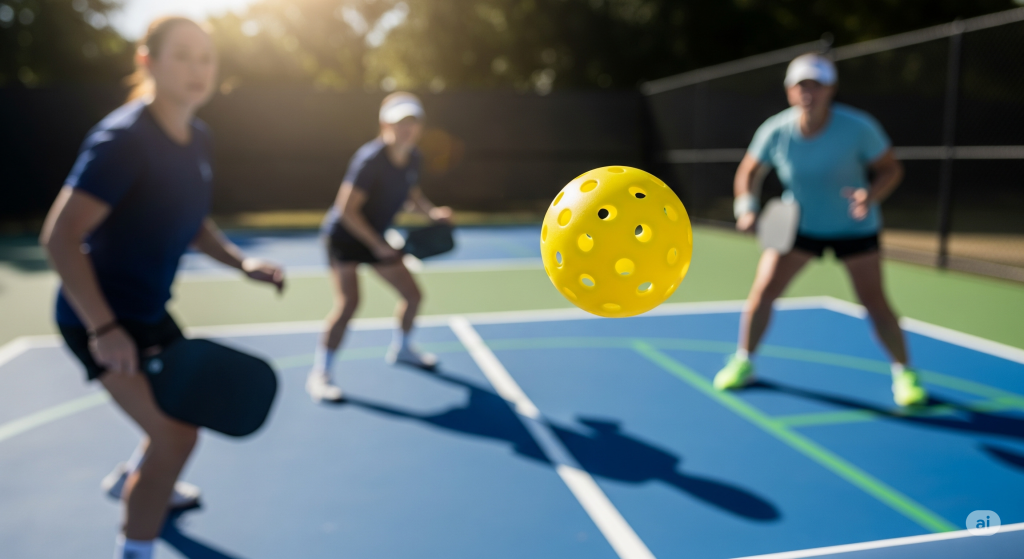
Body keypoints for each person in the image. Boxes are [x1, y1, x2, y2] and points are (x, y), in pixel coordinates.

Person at [39, 17, 285, 559]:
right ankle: (135, 548)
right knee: (177, 434)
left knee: (173, 416)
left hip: (149, 311)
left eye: (206, 57)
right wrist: (104, 329)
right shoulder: (123, 141)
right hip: (95, 317)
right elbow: (60, 238)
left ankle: (136, 475)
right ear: (147, 61)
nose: (198, 69)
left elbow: (192, 220)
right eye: (183, 56)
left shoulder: (198, 136)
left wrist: (242, 264)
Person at [714, 53, 928, 407]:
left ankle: (905, 374)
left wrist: (870, 195)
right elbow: (748, 171)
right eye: (801, 84)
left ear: (831, 89)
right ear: (790, 91)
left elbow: (891, 169)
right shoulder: (775, 130)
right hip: (795, 223)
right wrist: (747, 207)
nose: (808, 91)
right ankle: (743, 362)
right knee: (763, 290)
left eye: (816, 84)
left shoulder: (859, 127)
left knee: (875, 303)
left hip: (854, 226)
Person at [307, 92, 452, 403]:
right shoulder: (369, 160)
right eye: (400, 122)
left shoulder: (412, 157)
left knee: (413, 296)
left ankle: (402, 349)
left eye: (413, 122)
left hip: (376, 239)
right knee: (348, 304)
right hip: (344, 238)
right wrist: (378, 244)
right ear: (385, 124)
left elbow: (410, 192)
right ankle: (321, 374)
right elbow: (346, 209)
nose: (407, 128)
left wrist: (432, 213)